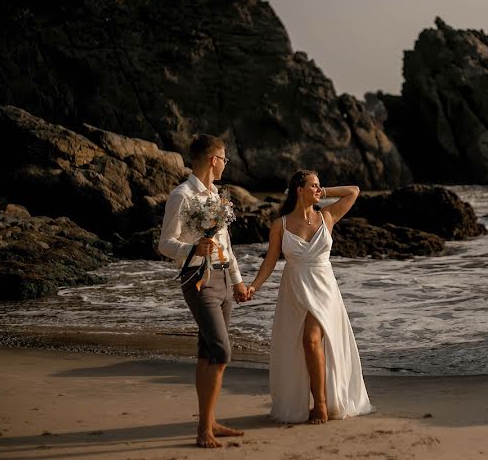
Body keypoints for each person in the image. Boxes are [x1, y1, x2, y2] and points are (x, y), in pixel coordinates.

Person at [246, 170, 373, 424]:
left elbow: (354, 191)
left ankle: (322, 404)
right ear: (298, 190)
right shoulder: (280, 225)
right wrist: (253, 287)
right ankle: (311, 401)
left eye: (319, 186)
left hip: (324, 289)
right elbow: (270, 261)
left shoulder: (327, 216)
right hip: (294, 289)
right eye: (313, 186)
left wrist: (323, 192)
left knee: (311, 340)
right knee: (301, 346)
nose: (318, 189)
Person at [158, 134, 248, 448]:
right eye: (224, 158)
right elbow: (165, 243)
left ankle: (208, 423)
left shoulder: (216, 196)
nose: (225, 163)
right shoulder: (181, 195)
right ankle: (203, 431)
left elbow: (226, 245)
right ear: (213, 159)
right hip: (198, 278)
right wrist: (193, 248)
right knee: (222, 351)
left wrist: (237, 280)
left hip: (224, 279)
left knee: (208, 352)